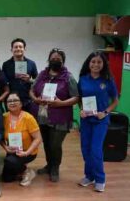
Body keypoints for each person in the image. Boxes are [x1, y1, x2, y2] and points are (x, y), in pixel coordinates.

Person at [29, 48, 79, 182]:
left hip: (60, 117)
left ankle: (55, 168)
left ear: (63, 61)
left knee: (55, 144)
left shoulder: (68, 77)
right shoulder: (42, 75)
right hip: (42, 115)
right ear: (49, 60)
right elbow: (32, 90)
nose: (55, 61)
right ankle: (49, 165)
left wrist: (60, 103)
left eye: (58, 59)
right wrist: (35, 99)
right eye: (53, 59)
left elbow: (76, 97)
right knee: (46, 143)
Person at [78, 52, 118, 192]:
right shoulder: (83, 79)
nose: (95, 64)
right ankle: (89, 176)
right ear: (88, 63)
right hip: (86, 120)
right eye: (93, 62)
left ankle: (100, 179)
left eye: (99, 62)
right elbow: (80, 99)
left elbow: (115, 101)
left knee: (95, 150)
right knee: (85, 149)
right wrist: (82, 110)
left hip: (101, 120)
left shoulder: (108, 79)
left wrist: (105, 112)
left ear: (103, 64)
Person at [1, 92, 42, 186]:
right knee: (7, 179)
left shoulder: (28, 118)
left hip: (28, 152)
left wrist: (26, 153)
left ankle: (27, 171)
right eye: (9, 101)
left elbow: (38, 138)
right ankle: (20, 169)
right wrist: (5, 148)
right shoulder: (4, 117)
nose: (12, 103)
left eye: (15, 100)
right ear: (6, 104)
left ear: (21, 103)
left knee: (10, 161)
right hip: (12, 151)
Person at [2, 38, 38, 112]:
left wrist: (30, 80)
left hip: (27, 100)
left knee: (26, 122)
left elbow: (37, 81)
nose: (18, 49)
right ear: (11, 49)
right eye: (15, 47)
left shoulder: (31, 63)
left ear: (24, 49)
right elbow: (3, 82)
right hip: (11, 100)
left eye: (20, 47)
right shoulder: (6, 64)